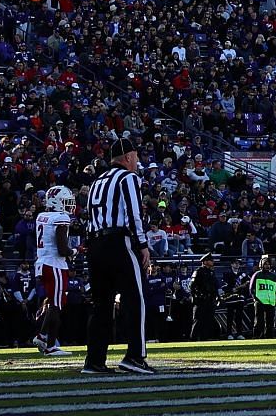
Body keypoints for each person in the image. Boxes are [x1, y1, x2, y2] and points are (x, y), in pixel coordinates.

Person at [82, 133, 156, 375]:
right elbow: (134, 214)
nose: (136, 162)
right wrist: (142, 245)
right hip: (118, 241)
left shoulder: (97, 181)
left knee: (101, 304)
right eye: (134, 157)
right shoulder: (128, 178)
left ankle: (94, 360)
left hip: (94, 244)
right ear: (127, 157)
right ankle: (134, 355)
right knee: (136, 298)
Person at [32, 185, 75, 355]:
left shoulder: (42, 216)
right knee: (56, 305)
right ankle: (46, 341)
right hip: (54, 264)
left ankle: (46, 340)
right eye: (65, 202)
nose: (68, 205)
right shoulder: (60, 218)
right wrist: (75, 251)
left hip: (43, 262)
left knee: (53, 303)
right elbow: (63, 249)